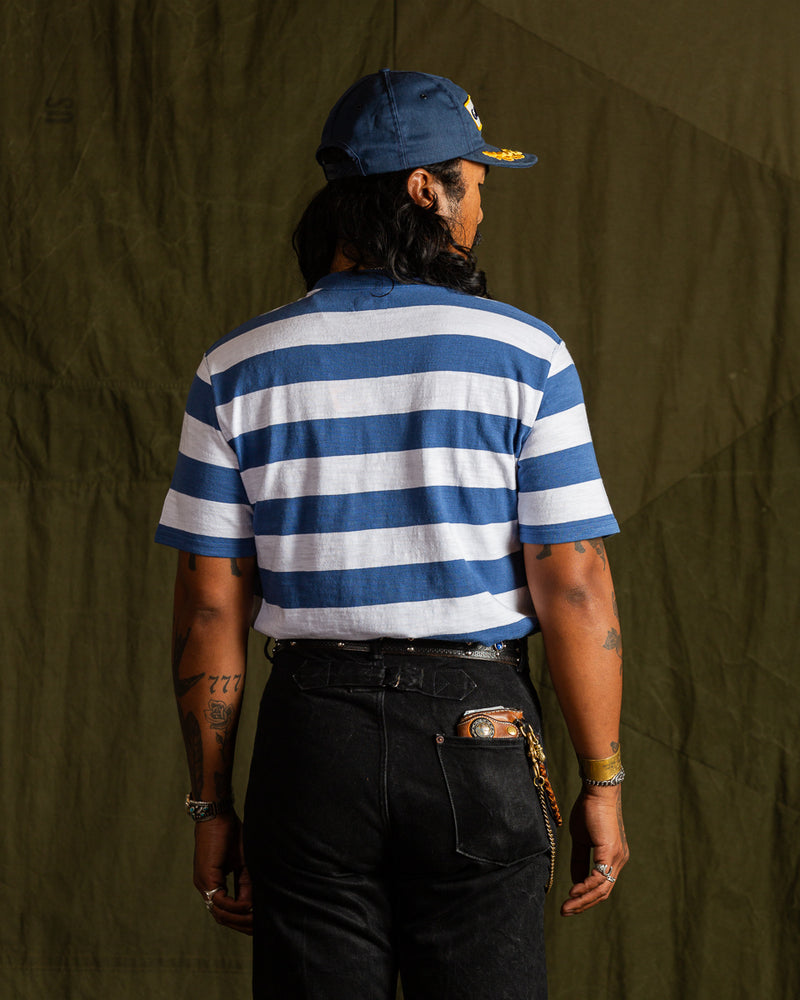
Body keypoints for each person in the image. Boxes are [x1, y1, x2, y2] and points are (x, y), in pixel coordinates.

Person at [157, 68, 629, 999]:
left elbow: (211, 605)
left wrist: (210, 803)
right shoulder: (528, 355)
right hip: (479, 731)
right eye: (475, 186)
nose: (480, 211)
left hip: (311, 743)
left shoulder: (235, 367)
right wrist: (603, 781)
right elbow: (574, 585)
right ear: (425, 189)